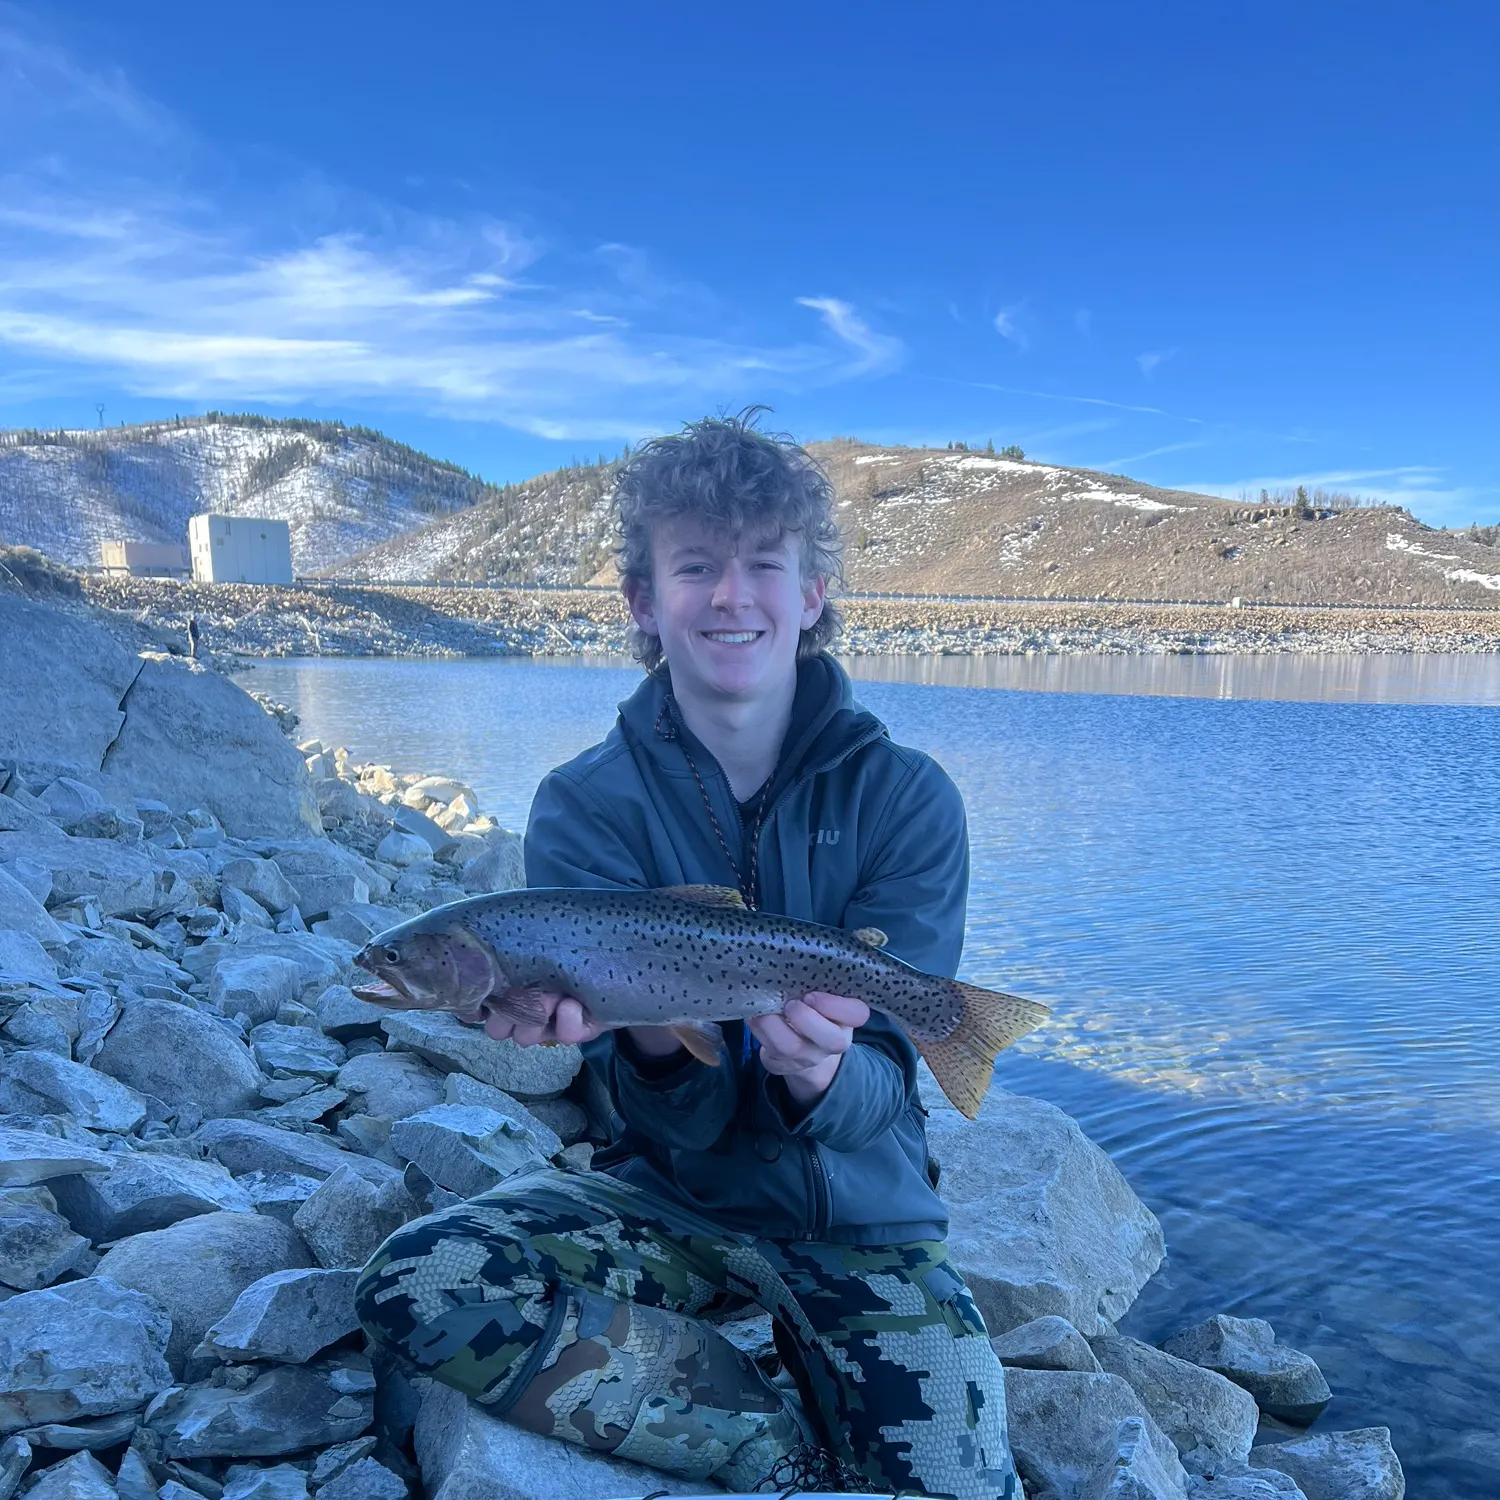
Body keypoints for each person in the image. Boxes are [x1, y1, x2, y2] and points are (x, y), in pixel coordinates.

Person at [356, 414, 1020, 1499]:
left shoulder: (906, 797)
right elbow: (655, 1109)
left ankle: (836, 1417)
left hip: (861, 1217)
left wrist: (821, 1072)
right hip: (667, 1203)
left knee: (959, 1484)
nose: (729, 595)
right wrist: (654, 1053)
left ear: (812, 597)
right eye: (695, 567)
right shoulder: (585, 803)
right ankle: (784, 1454)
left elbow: (888, 1090)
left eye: (765, 566)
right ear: (642, 602)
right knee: (422, 1284)